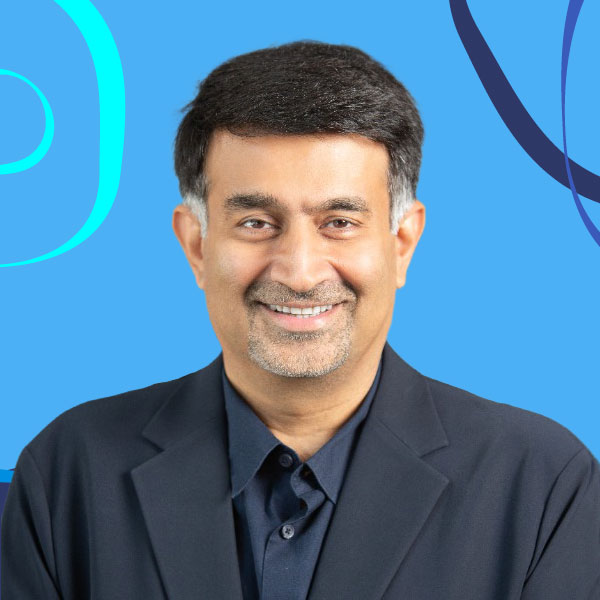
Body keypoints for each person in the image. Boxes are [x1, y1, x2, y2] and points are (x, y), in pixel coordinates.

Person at [2, 41, 599, 600]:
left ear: (402, 243)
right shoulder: (68, 472)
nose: (300, 272)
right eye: (256, 223)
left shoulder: (543, 485)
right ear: (197, 245)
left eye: (339, 222)